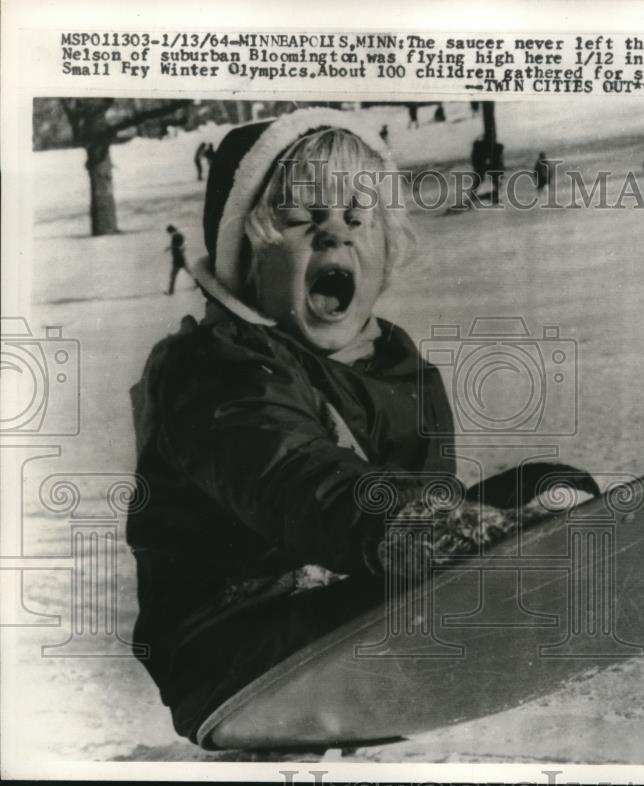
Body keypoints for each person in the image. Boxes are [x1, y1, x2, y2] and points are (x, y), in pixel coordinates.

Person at [126, 109, 594, 746]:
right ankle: (511, 601)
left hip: (346, 610)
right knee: (453, 557)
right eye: (300, 219)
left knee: (549, 483)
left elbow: (428, 493)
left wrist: (470, 528)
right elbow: (293, 477)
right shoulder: (218, 368)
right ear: (247, 254)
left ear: (386, 245)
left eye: (357, 216)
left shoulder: (397, 367)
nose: (334, 237)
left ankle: (549, 564)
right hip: (235, 647)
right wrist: (419, 531)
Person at [165, 225, 186, 294]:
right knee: (189, 271)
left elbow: (175, 246)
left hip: (177, 258)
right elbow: (181, 246)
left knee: (173, 275)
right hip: (181, 257)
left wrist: (169, 248)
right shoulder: (180, 235)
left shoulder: (175, 236)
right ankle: (198, 283)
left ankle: (171, 291)